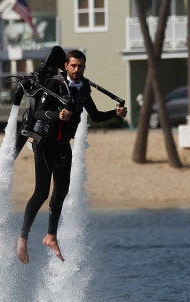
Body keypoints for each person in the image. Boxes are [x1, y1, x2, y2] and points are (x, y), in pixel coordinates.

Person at [17, 50, 128, 264]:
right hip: (44, 142)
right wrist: (55, 114)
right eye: (74, 66)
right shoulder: (54, 85)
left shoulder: (83, 87)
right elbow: (38, 112)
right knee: (41, 192)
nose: (78, 70)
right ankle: (23, 237)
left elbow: (94, 115)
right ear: (66, 66)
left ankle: (51, 236)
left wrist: (114, 113)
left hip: (62, 144)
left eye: (81, 67)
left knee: (62, 190)